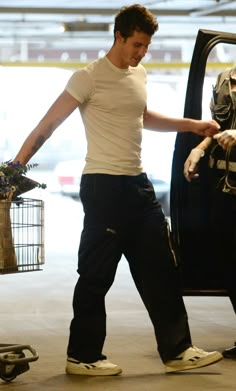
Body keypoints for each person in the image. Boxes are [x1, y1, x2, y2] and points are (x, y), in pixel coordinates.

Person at [13, 4, 222, 376]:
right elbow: (49, 125)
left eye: (146, 47)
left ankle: (178, 349)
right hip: (103, 186)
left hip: (138, 185)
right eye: (137, 44)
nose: (142, 53)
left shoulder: (138, 75)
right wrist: (14, 169)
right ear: (119, 36)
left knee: (161, 268)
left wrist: (192, 125)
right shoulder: (88, 78)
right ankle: (83, 355)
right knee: (96, 274)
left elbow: (142, 117)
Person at [184, 69, 236, 360]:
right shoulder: (223, 80)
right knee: (228, 264)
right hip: (223, 188)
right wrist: (200, 148)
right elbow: (219, 128)